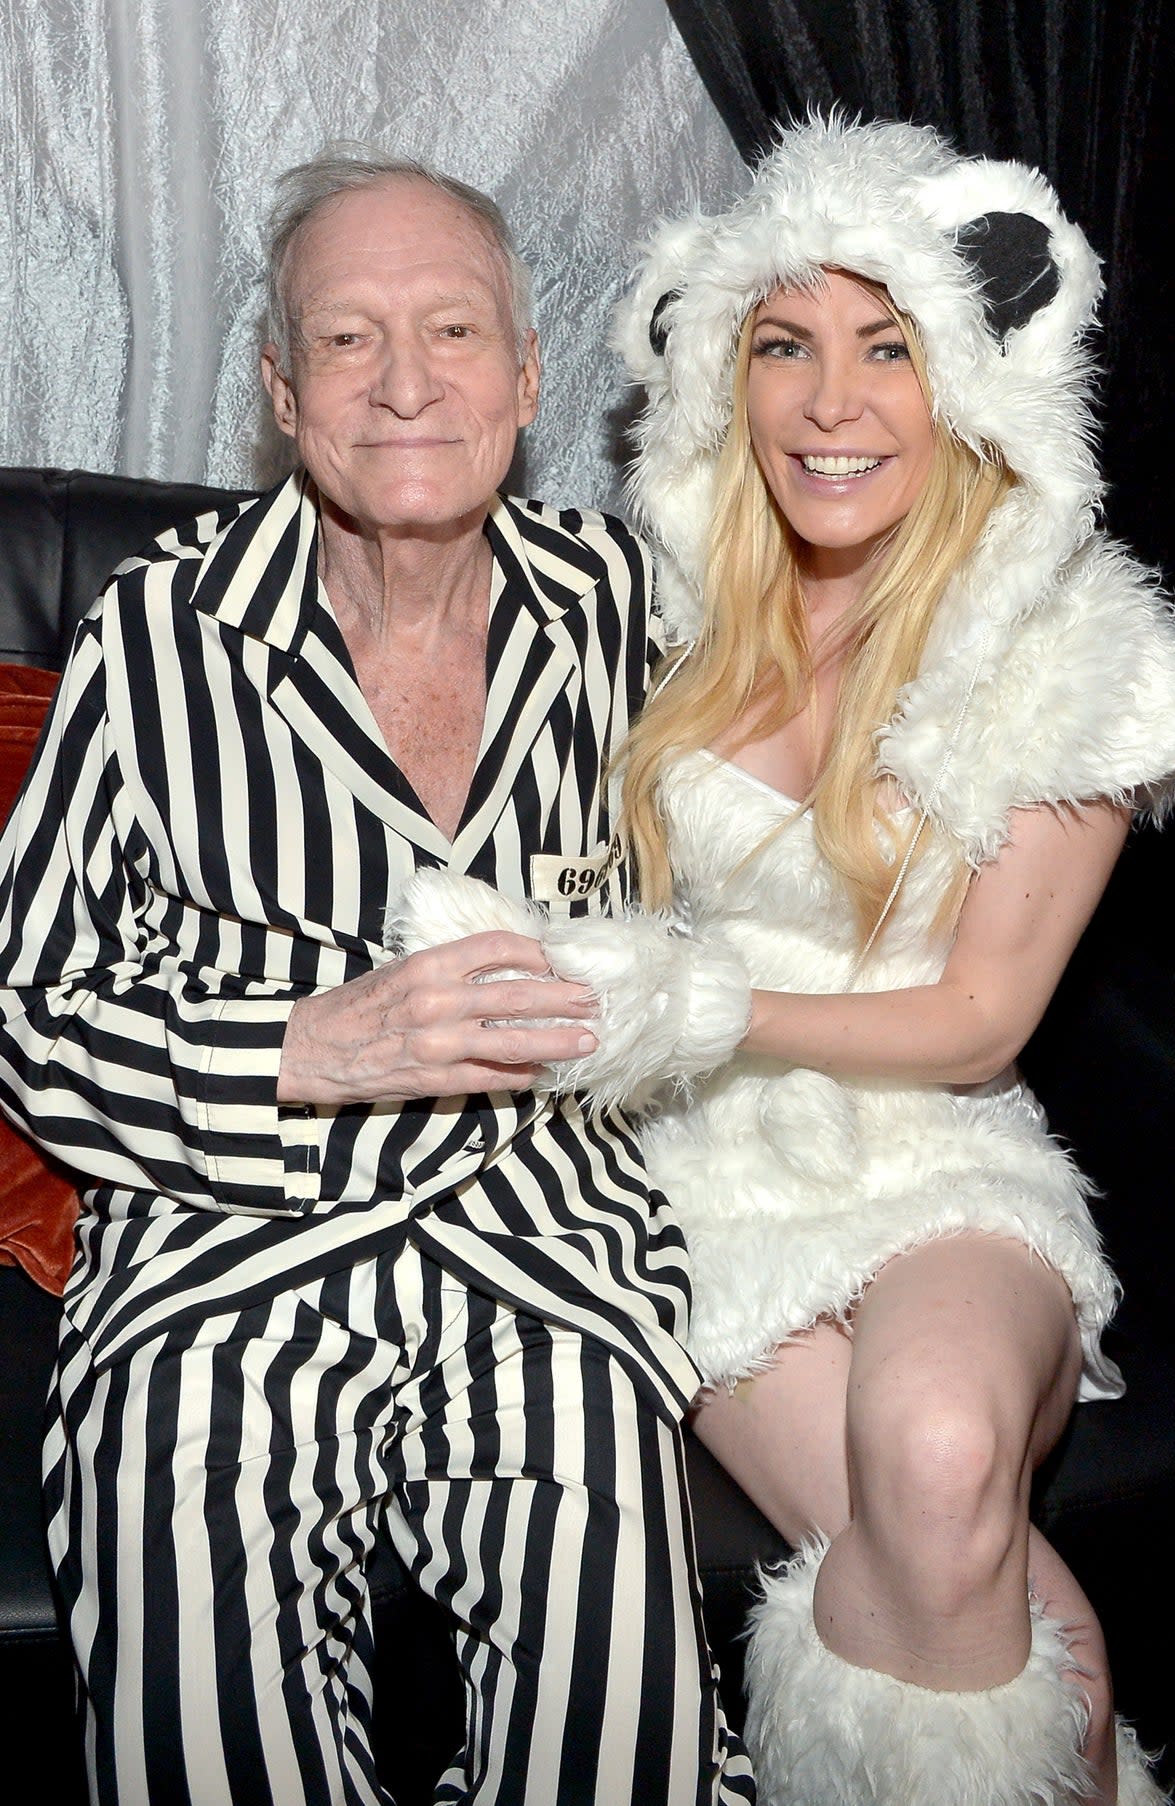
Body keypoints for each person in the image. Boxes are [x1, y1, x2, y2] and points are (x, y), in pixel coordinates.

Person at [0, 149, 756, 1806]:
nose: (406, 382)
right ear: (280, 391)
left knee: (615, 1739)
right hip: (219, 1261)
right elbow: (32, 1015)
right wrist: (299, 1048)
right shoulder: (156, 634)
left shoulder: (634, 609)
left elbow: (814, 819)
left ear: (530, 368)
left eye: (453, 331)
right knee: (207, 1724)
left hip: (545, 1256)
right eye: (346, 341)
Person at [600, 114, 1175, 1806]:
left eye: (890, 347)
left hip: (935, 1143)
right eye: (785, 345)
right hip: (693, 1175)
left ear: (972, 376)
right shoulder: (661, 600)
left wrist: (701, 1001)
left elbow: (980, 1018)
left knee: (941, 1449)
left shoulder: (1073, 639)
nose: (831, 401)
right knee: (956, 1579)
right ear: (725, 366)